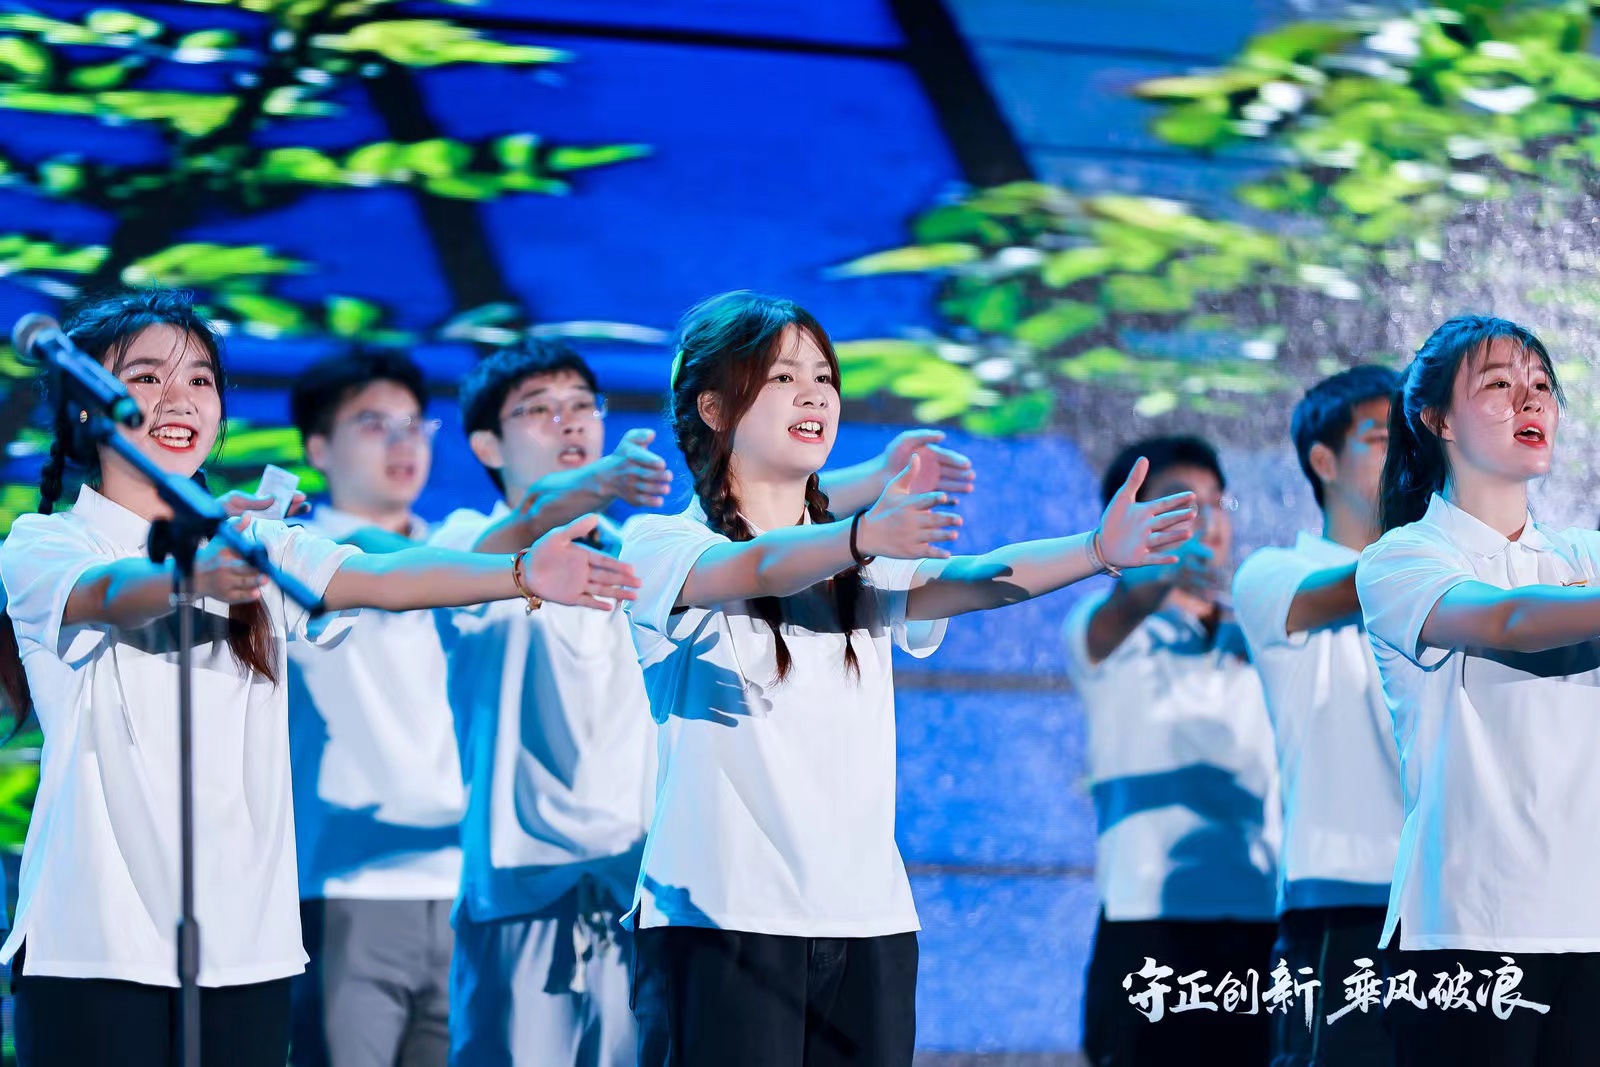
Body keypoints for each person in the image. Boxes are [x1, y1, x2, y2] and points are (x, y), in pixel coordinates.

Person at [0, 288, 636, 1067]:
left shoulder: (257, 543)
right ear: (87, 408)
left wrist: (519, 571)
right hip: (93, 942)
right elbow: (109, 592)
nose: (180, 398)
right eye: (146, 378)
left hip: (246, 946)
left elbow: (385, 576)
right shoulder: (46, 541)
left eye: (200, 379)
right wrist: (194, 571)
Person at [622, 290, 1196, 1066]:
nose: (814, 395)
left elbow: (979, 579)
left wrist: (1094, 550)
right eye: (783, 377)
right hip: (720, 917)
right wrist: (862, 531)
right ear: (714, 407)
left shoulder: (862, 560)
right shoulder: (661, 543)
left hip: (870, 920)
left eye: (823, 377)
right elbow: (758, 565)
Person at [436, 337, 976, 1067]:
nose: (569, 424)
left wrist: (874, 479)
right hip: (525, 890)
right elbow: (508, 539)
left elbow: (766, 536)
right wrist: (594, 483)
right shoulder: (476, 546)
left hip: (640, 883)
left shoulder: (644, 549)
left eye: (582, 406)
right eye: (539, 410)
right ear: (485, 444)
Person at [1356, 315, 1600, 1065]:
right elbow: (1509, 620)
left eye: (1541, 386)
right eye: (1499, 385)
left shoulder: (1585, 555)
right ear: (1436, 419)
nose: (1530, 402)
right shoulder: (1403, 557)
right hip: (1463, 931)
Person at [1063, 435, 1279, 1067]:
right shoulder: (1105, 629)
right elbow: (1122, 609)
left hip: (1261, 915)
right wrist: (1159, 581)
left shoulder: (1262, 635)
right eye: (1182, 505)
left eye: (1217, 502)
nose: (1208, 521)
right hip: (1146, 922)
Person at [285, 350, 463, 1067]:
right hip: (341, 879)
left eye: (414, 424)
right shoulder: (286, 558)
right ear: (317, 448)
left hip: (465, 883)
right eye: (372, 424)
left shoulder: (463, 556)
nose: (401, 442)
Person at [1232, 366, 1402, 1067]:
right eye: (1385, 439)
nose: (1408, 458)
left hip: (1452, 907)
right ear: (1324, 461)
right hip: (1341, 904)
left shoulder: (1454, 586)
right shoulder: (1272, 575)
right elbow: (1373, 584)